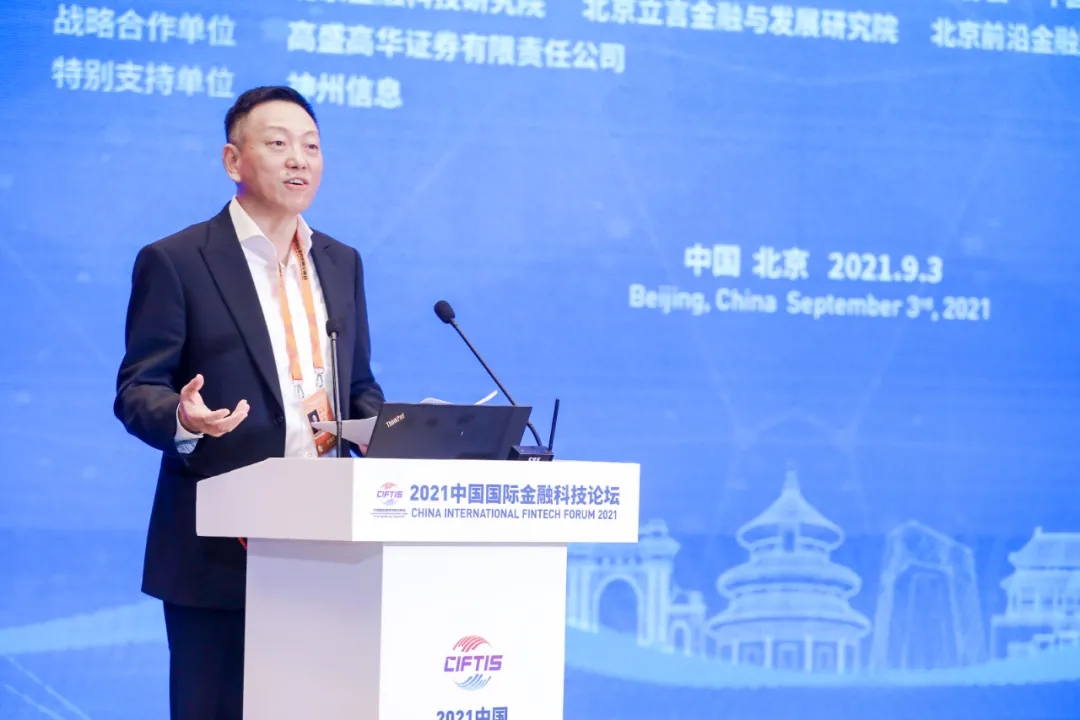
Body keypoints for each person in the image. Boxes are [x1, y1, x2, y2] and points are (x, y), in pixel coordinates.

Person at [113, 86, 385, 720]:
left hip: (327, 542)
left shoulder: (341, 262)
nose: (299, 159)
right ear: (233, 160)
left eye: (311, 146)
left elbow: (357, 384)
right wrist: (183, 418)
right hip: (220, 548)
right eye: (278, 144)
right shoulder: (177, 260)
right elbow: (138, 388)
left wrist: (387, 428)